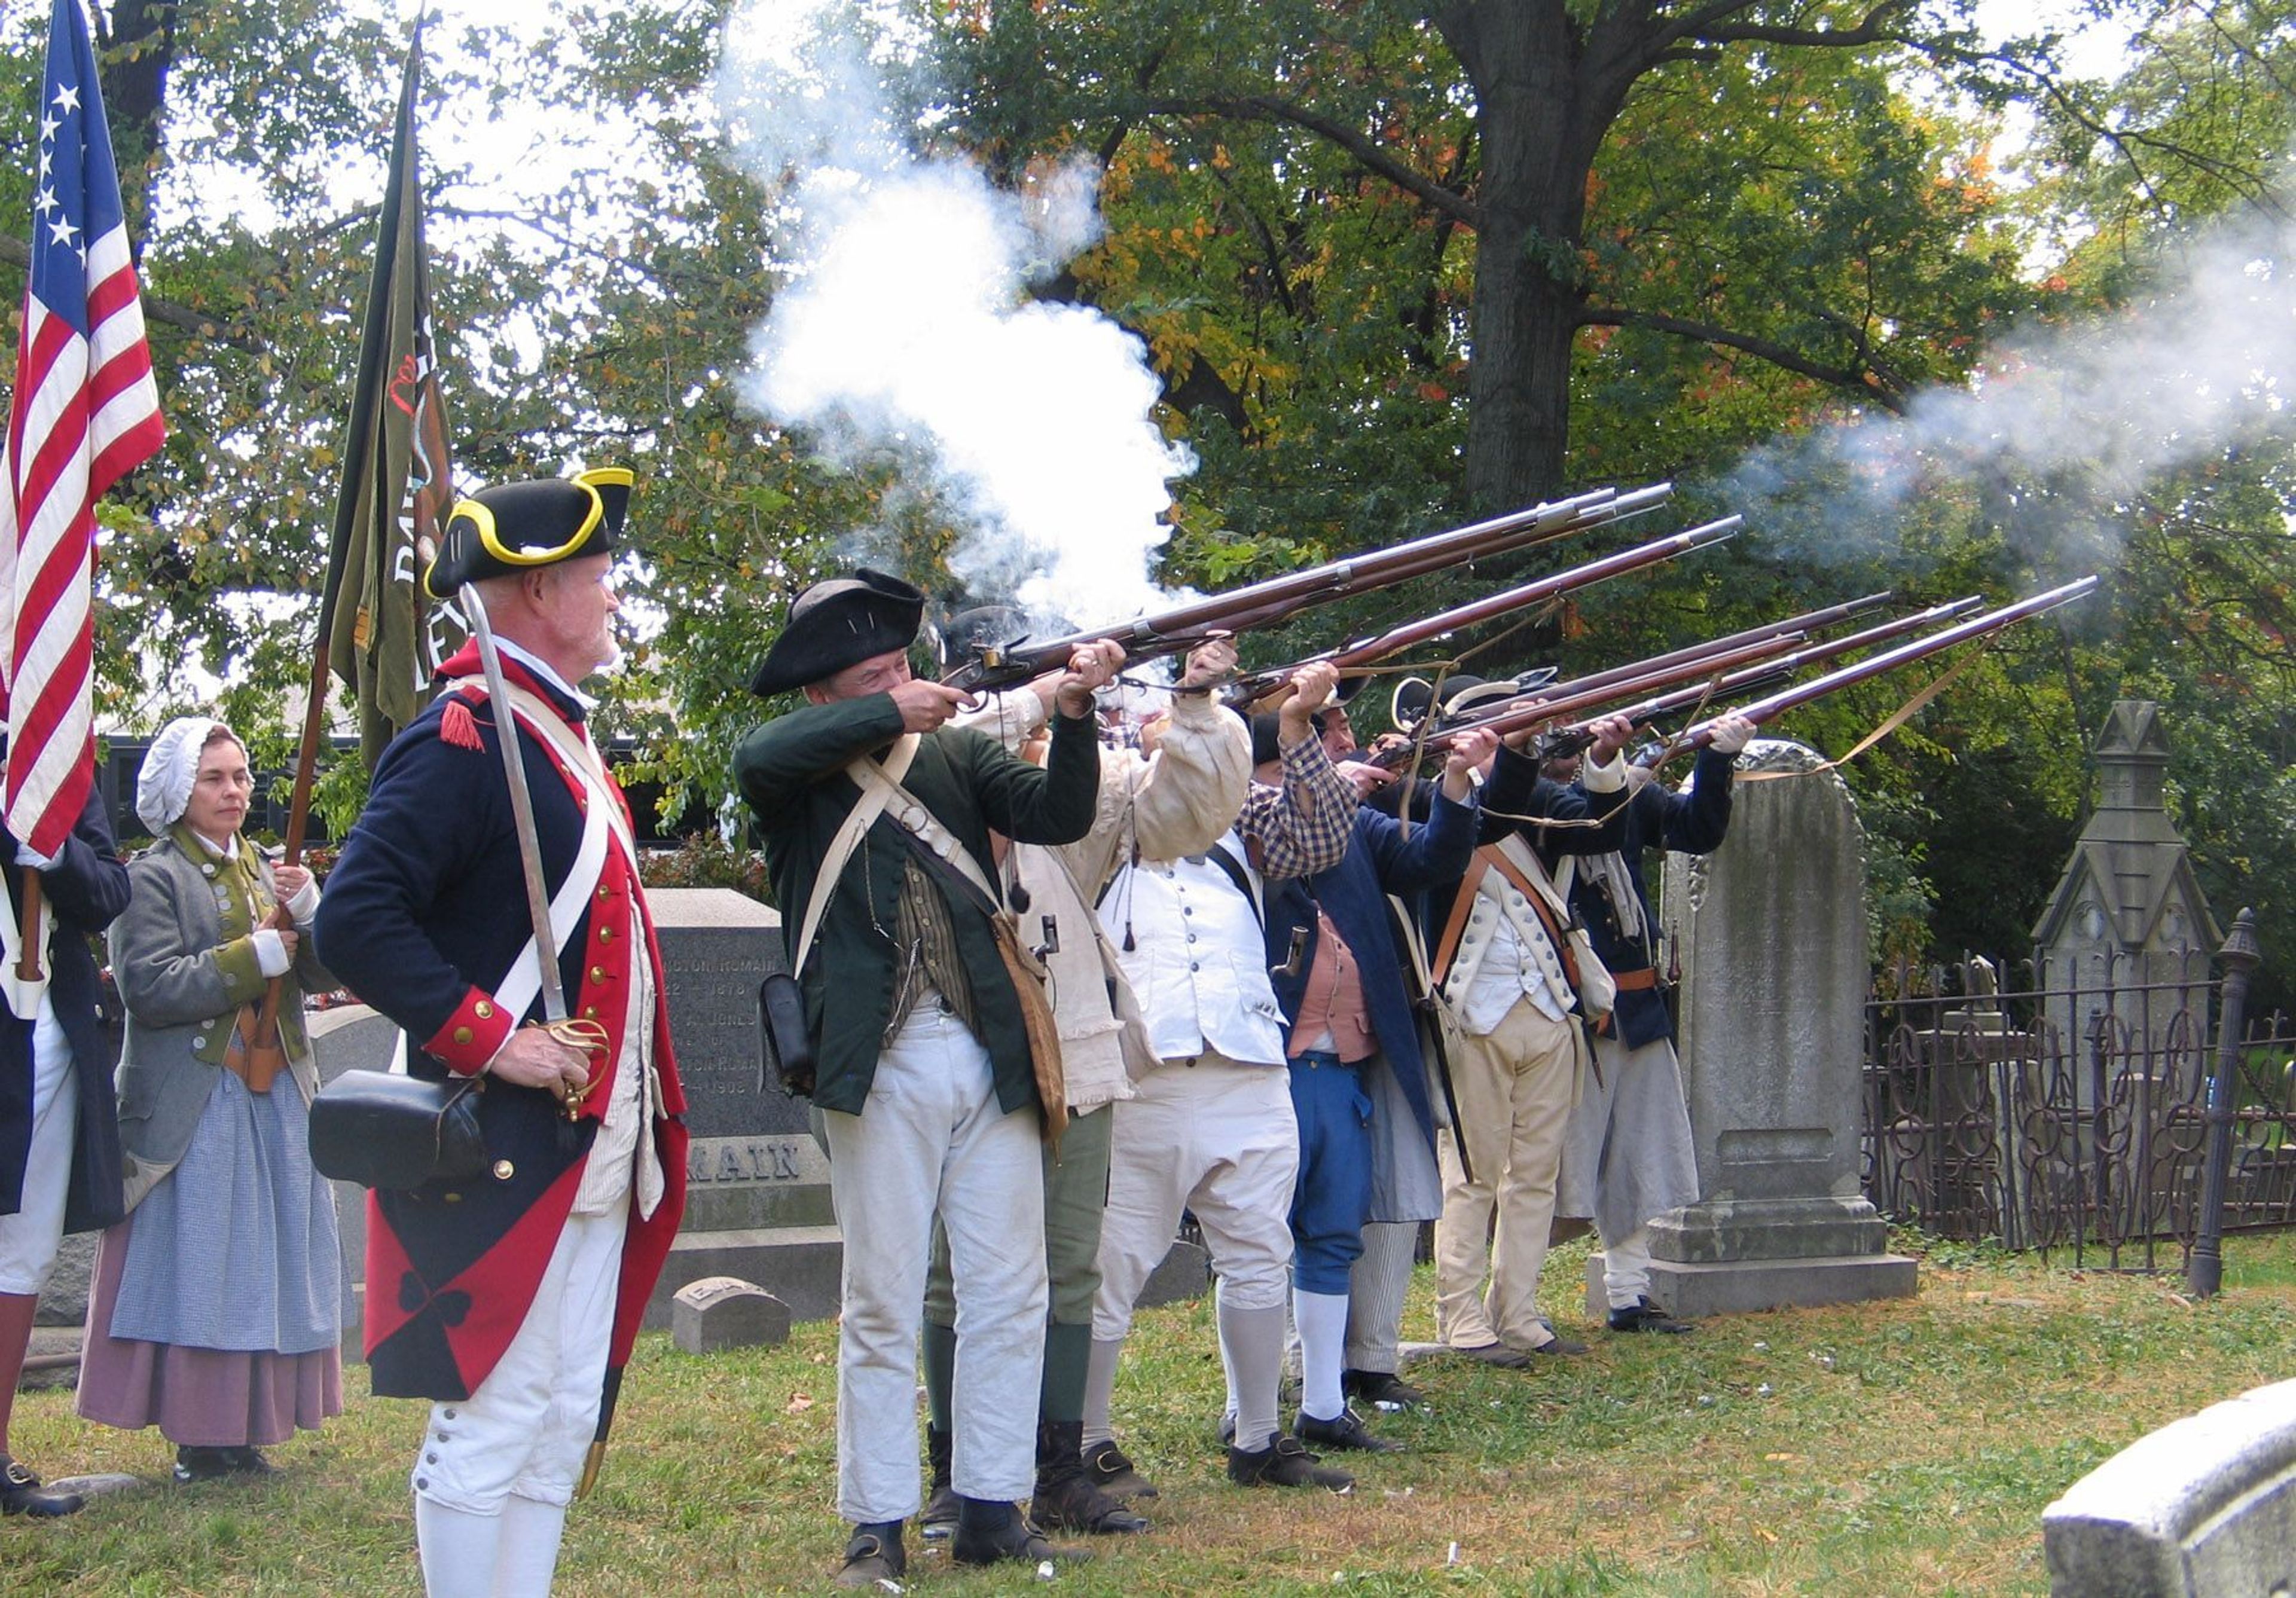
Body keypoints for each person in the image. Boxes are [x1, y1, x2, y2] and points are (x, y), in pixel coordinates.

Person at [316, 468, 689, 1598]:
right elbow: (354, 918)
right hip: (512, 1136)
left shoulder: (557, 738)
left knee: (563, 1407)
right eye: (599, 575)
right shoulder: (464, 736)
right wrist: (496, 1038)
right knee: (493, 1414)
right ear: (534, 595)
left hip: (586, 1143)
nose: (615, 596)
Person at [733, 570, 1113, 1587]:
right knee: (882, 1299)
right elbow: (752, 754)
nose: (902, 684)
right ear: (826, 696)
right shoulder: (799, 769)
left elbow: (1057, 809)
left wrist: (1072, 711)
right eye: (874, 676)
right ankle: (877, 1521)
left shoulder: (957, 751)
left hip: (989, 1052)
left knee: (1008, 1286)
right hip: (876, 1060)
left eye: (902, 667)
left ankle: (993, 1501)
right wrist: (883, 713)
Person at [915, 627, 1250, 1541]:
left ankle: (1058, 1464)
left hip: (1074, 1044)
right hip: (951, 1045)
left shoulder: (1089, 778)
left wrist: (1195, 704)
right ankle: (952, 1470)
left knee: (1070, 1268)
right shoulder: (922, 759)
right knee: (951, 1278)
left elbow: (1191, 811)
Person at [1082, 658, 1361, 1501]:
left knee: (1260, 1254)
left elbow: (1320, 839)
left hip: (1246, 1057)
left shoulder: (1239, 808)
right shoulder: (1096, 807)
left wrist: (1300, 726)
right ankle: (1087, 1440)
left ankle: (1258, 1435)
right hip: (1144, 1069)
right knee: (1112, 1264)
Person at [77, 717, 342, 1481]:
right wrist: (244, 958)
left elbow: (315, 979)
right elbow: (147, 988)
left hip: (276, 1095)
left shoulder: (267, 868)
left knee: (266, 1259)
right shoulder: (148, 877)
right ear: (177, 792)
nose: (235, 792)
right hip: (201, 1101)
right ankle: (200, 1435)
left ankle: (248, 1426)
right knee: (201, 1263)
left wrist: (312, 914)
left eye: (241, 777)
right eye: (214, 779)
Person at [1256, 709, 1488, 1452]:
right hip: (1272, 1066)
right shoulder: (1234, 823)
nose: (1343, 751)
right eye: (1323, 742)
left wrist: (1456, 780)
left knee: (1332, 1236)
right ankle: (1252, 1406)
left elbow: (1435, 860)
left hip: (1345, 1067)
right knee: (1258, 1242)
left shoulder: (1359, 826)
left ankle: (1324, 1404)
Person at [1414, 681, 1635, 1365]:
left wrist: (1601, 758)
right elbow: (1477, 822)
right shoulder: (1430, 799)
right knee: (1474, 1173)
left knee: (1534, 1173)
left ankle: (1519, 1311)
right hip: (1473, 1013)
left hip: (1547, 1008)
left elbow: (1605, 827)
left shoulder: (1534, 795)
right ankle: (1460, 1314)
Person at [1551, 714, 1754, 1334]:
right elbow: (1593, 814)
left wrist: (1717, 759)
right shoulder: (1523, 804)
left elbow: (1697, 830)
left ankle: (1628, 1295)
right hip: (1569, 1014)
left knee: (1639, 1156)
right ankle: (1512, 1307)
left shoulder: (1624, 790)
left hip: (1636, 1006)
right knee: (1554, 1168)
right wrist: (1612, 768)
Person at [0, 745, 130, 1515]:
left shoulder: (60, 759)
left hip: (44, 1030)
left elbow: (108, 890)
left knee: (24, 1251)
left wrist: (52, 849)